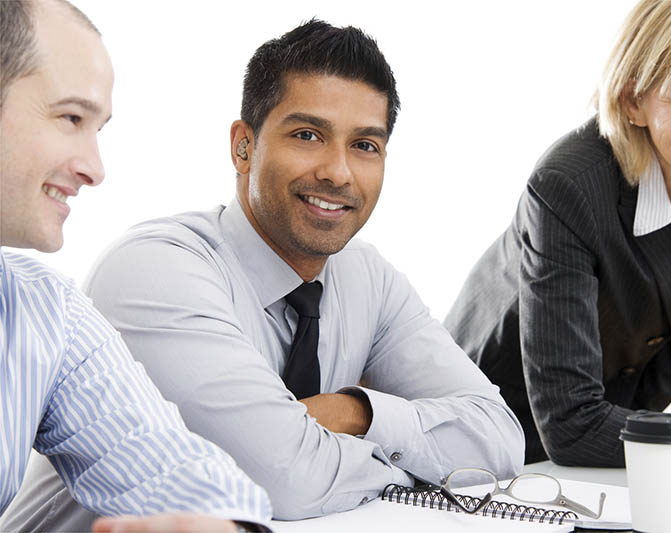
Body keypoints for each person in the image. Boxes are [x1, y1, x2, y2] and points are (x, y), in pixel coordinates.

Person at [3, 19, 525, 529]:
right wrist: (425, 467)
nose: (338, 172)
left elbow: (500, 439)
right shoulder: (155, 270)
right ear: (243, 147)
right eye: (307, 135)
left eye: (365, 145)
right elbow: (284, 482)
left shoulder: (370, 277)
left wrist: (358, 414)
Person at [445, 0, 671, 470]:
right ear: (634, 101)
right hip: (481, 423)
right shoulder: (568, 185)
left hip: (595, 430)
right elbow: (570, 427)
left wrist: (627, 433)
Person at [0, 1, 273, 531]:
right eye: (71, 118)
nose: (94, 169)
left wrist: (226, 527)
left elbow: (166, 463)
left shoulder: (46, 314)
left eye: (97, 128)